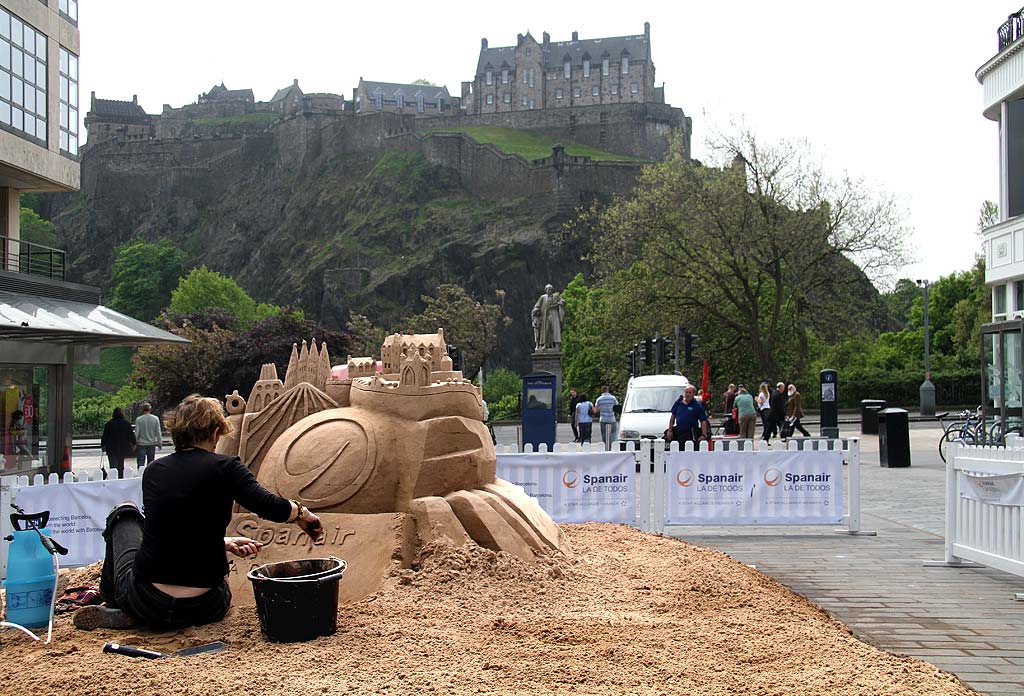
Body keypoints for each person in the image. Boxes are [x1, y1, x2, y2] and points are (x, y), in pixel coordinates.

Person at [74, 394, 324, 631]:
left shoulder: (155, 471)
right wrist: (303, 514)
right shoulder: (227, 468)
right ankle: (132, 611)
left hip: (147, 600)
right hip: (207, 606)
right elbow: (268, 506)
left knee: (125, 514)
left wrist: (220, 543)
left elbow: (169, 532)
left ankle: (114, 603)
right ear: (216, 433)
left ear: (176, 433)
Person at [101, 407, 137, 479]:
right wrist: (134, 444)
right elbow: (131, 435)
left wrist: (103, 445)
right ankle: (120, 478)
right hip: (123, 448)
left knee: (113, 466)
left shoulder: (109, 423)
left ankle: (113, 479)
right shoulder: (126, 423)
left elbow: (105, 436)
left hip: (111, 449)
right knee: (121, 466)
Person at [531, 284, 565, 351]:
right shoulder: (543, 297)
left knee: (555, 329)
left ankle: (556, 345)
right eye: (547, 289)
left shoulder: (556, 296)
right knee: (546, 330)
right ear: (546, 290)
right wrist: (536, 311)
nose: (549, 291)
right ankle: (545, 344)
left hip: (554, 313)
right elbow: (537, 306)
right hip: (546, 315)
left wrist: (559, 303)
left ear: (552, 290)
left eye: (550, 289)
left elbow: (563, 301)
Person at [134, 402, 163, 467]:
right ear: (150, 409)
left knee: (141, 461)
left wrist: (135, 443)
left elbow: (136, 433)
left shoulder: (139, 419)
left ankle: (141, 474)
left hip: (141, 444)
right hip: (151, 443)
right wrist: (159, 442)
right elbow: (158, 431)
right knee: (151, 462)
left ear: (142, 409)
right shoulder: (155, 418)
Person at [594, 386, 619, 450]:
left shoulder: (599, 399)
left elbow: (596, 410)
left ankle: (606, 447)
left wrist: (601, 409)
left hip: (603, 418)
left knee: (604, 433)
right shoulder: (613, 398)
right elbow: (617, 407)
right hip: (611, 418)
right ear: (608, 390)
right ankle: (613, 446)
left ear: (602, 390)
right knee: (613, 432)